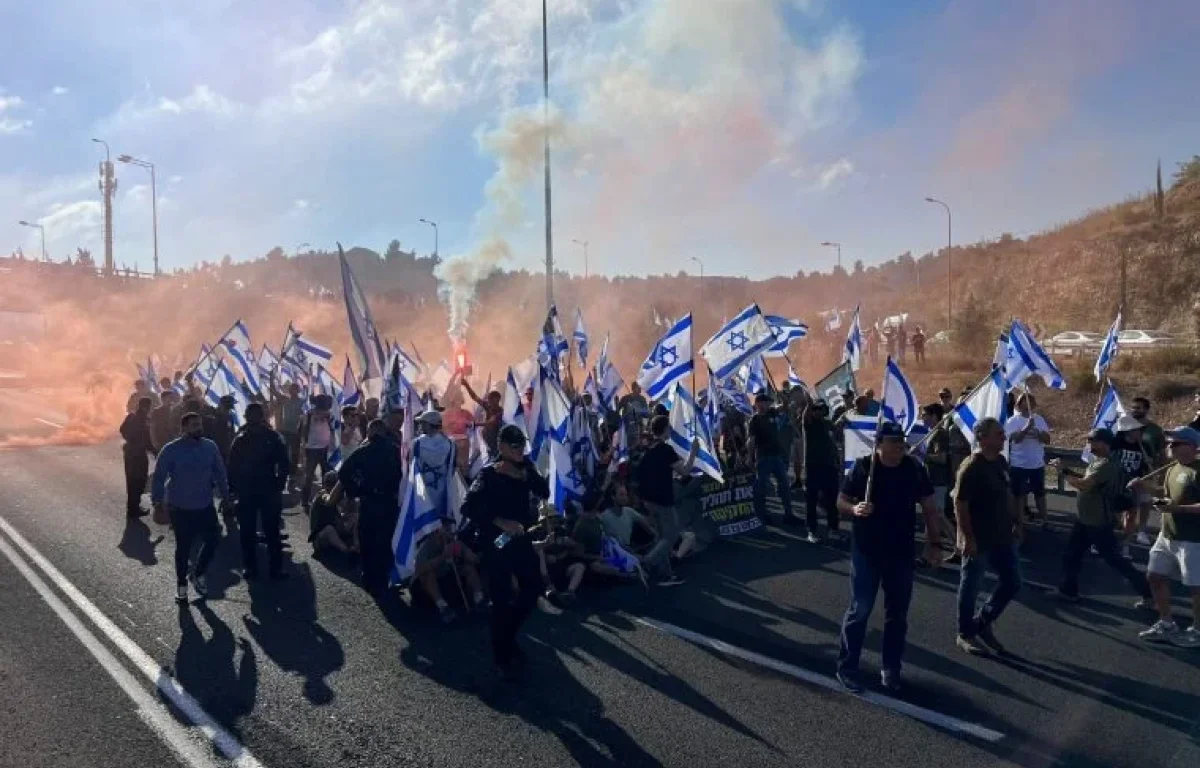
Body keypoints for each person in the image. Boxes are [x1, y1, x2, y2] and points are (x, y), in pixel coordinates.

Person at [835, 421, 943, 693]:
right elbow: (841, 501)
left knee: (897, 614)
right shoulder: (863, 468)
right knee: (860, 609)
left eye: (901, 441)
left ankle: (891, 669)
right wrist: (855, 508)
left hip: (901, 552)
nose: (899, 446)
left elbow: (930, 508)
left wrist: (934, 543)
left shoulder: (914, 469)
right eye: (893, 441)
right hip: (867, 550)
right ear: (879, 444)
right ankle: (847, 667)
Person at [461, 425, 550, 679]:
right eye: (514, 446)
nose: (520, 450)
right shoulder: (489, 473)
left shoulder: (526, 467)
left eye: (522, 445)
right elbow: (469, 507)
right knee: (500, 598)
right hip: (497, 540)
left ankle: (508, 636)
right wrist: (499, 521)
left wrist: (526, 475)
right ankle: (502, 655)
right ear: (501, 446)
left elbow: (544, 491)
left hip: (520, 538)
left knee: (532, 588)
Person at [1052, 428, 1153, 606]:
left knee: (1113, 559)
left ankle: (1148, 591)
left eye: (1092, 440)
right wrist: (1067, 470)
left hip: (1097, 521)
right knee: (1071, 555)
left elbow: (1084, 485)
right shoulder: (1101, 461)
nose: (1088, 444)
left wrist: (1062, 471)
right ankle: (1067, 591)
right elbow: (1088, 479)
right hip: (1086, 519)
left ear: (1104, 443)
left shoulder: (1106, 464)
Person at [953, 418, 1022, 655]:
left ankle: (982, 622)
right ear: (983, 438)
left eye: (1003, 433)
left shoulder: (1001, 461)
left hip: (1003, 536)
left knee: (1013, 582)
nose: (1004, 437)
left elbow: (1008, 493)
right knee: (971, 585)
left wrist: (1016, 521)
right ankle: (965, 633)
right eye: (998, 434)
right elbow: (960, 503)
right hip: (979, 537)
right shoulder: (972, 466)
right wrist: (965, 536)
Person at [1131, 426, 1200, 648]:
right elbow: (1166, 495)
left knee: (1195, 587)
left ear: (1191, 446)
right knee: (1155, 576)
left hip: (1193, 539)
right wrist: (1146, 487)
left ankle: (1197, 630)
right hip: (1167, 534)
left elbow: (1177, 505)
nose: (1170, 447)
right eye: (1170, 443)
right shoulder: (1173, 468)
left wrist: (1178, 509)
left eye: (1176, 443)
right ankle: (1166, 622)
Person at [152, 412, 229, 603]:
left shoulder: (210, 447)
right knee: (183, 548)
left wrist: (226, 496)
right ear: (184, 428)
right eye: (194, 425)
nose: (198, 428)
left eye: (199, 425)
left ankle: (198, 573)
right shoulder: (171, 450)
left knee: (213, 539)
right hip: (180, 507)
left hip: (204, 504)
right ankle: (181, 587)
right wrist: (158, 502)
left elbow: (220, 472)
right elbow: (159, 476)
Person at [337, 419, 404, 594]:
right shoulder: (395, 450)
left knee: (367, 537)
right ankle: (383, 577)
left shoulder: (364, 451)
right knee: (385, 538)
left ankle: (368, 577)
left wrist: (355, 490)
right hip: (389, 501)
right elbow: (403, 475)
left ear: (371, 432)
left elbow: (344, 472)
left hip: (369, 500)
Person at [227, 403, 291, 581]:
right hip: (250, 490)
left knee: (267, 531)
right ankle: (255, 567)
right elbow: (232, 467)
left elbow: (284, 463)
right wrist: (234, 490)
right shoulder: (242, 438)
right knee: (252, 531)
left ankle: (268, 568)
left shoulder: (271, 437)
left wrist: (279, 484)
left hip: (265, 489)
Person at [635, 415, 698, 586]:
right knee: (671, 536)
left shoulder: (648, 450)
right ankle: (646, 563)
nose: (670, 430)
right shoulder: (666, 450)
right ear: (663, 430)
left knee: (661, 537)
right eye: (668, 428)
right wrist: (693, 452)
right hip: (663, 500)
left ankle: (666, 574)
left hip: (648, 500)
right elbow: (684, 471)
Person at [413, 516, 487, 623]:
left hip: (447, 579)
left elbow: (474, 559)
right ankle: (443, 607)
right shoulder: (427, 546)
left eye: (450, 527)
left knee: (468, 567)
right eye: (446, 527)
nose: (449, 531)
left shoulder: (455, 543)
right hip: (425, 586)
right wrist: (442, 557)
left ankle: (479, 599)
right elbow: (419, 569)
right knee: (429, 574)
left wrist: (465, 553)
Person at [749, 392, 797, 525]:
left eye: (769, 402)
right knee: (761, 487)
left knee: (784, 485)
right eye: (765, 402)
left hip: (777, 456)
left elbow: (785, 406)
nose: (768, 404)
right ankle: (761, 516)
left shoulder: (772, 413)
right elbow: (751, 441)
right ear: (758, 403)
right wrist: (750, 457)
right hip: (763, 457)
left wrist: (783, 398)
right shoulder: (755, 420)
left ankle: (789, 514)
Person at [1005, 393, 1051, 525]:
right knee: (1019, 495)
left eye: (1030, 401)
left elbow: (1047, 440)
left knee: (1040, 494)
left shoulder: (1039, 419)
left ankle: (1045, 520)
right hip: (1019, 464)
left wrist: (1039, 434)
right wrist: (1027, 428)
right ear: (1019, 404)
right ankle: (1020, 523)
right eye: (1024, 401)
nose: (1027, 404)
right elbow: (1016, 439)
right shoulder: (1013, 421)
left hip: (1036, 464)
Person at [1129, 397, 1167, 545]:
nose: (1134, 410)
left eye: (1138, 408)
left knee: (1145, 504)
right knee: (1128, 505)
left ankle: (1142, 531)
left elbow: (1162, 452)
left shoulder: (1155, 430)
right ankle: (1127, 533)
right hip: (1128, 472)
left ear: (1146, 409)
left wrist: (1161, 471)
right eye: (1133, 408)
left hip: (1147, 473)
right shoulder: (1126, 427)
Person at [803, 399, 841, 543]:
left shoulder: (827, 423)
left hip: (829, 466)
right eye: (816, 409)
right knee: (811, 501)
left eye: (821, 409)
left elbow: (835, 436)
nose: (819, 411)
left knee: (832, 500)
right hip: (813, 467)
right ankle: (812, 531)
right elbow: (806, 415)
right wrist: (808, 403)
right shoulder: (808, 423)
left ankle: (833, 529)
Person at [120, 397, 156, 517]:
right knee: (139, 481)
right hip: (138, 455)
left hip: (129, 452)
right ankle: (134, 509)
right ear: (147, 407)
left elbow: (122, 429)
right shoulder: (144, 420)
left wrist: (129, 440)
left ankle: (132, 508)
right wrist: (155, 451)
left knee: (131, 482)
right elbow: (147, 439)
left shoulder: (131, 416)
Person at [308, 471, 358, 555]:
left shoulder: (337, 496)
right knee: (329, 529)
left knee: (354, 516)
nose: (331, 486)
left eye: (333, 484)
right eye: (330, 483)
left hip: (333, 529)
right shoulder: (322, 495)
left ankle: (357, 546)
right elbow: (328, 499)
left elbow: (343, 512)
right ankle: (346, 550)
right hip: (319, 538)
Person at [300, 395, 335, 508]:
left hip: (326, 448)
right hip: (312, 449)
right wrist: (303, 446)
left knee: (327, 475)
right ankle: (305, 500)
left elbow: (333, 426)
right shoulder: (309, 414)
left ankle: (327, 498)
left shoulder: (329, 415)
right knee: (309, 476)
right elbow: (303, 430)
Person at [600, 484, 656, 551]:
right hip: (613, 552)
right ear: (613, 497)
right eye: (621, 495)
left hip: (628, 551)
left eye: (626, 495)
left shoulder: (629, 511)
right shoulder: (604, 516)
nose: (624, 497)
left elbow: (647, 526)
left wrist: (657, 536)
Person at [463, 376, 503, 455]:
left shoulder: (500, 412)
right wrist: (466, 385)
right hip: (487, 439)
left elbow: (490, 422)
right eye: (488, 399)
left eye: (491, 399)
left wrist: (474, 424)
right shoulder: (488, 406)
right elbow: (474, 397)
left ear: (497, 400)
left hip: (496, 440)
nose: (488, 401)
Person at [272, 381, 305, 476]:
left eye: (294, 389)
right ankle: (282, 471)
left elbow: (305, 413)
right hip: (284, 430)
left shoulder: (302, 402)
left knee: (295, 453)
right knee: (283, 452)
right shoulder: (285, 399)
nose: (292, 391)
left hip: (295, 431)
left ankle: (293, 473)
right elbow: (274, 392)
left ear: (298, 391)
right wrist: (271, 378)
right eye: (291, 389)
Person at [203, 395, 237, 467]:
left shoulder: (229, 417)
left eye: (229, 408)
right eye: (226, 408)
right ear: (220, 405)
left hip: (225, 453)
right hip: (212, 453)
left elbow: (232, 434)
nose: (228, 410)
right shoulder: (210, 416)